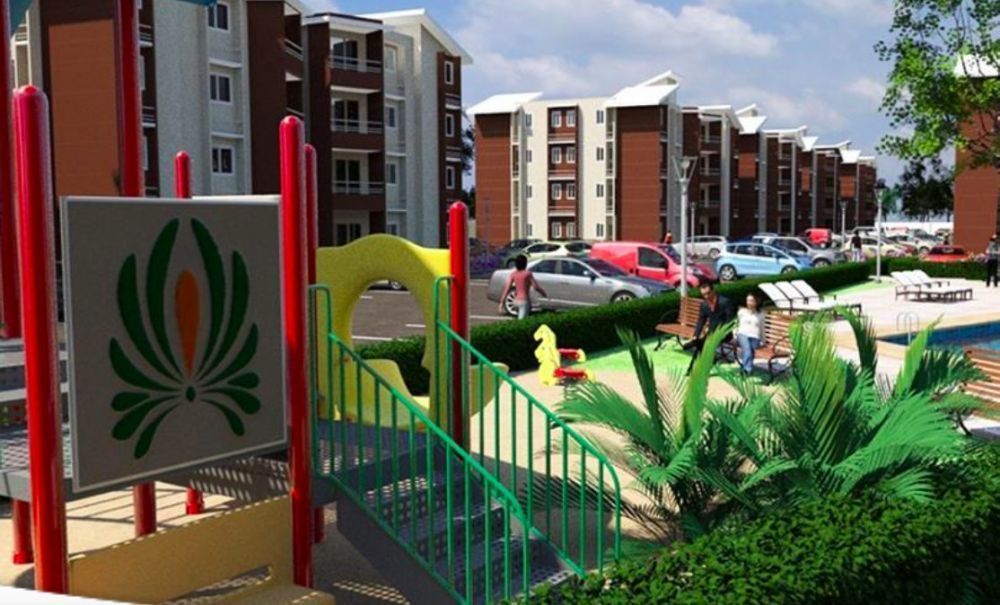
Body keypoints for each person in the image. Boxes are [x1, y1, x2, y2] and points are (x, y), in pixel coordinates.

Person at [683, 282, 735, 375]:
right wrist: (696, 335)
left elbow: (730, 321)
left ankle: (702, 365)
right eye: (703, 295)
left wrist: (721, 332)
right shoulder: (704, 305)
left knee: (704, 345)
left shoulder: (725, 302)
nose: (706, 296)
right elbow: (701, 321)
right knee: (699, 343)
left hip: (724, 333)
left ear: (713, 291)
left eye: (708, 293)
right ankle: (694, 367)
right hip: (711, 333)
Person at [499, 254, 548, 319]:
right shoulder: (527, 274)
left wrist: (501, 302)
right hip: (524, 301)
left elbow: (507, 288)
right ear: (525, 264)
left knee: (518, 318)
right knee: (522, 320)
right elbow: (535, 286)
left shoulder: (513, 274)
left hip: (515, 300)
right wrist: (543, 293)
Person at [736, 293, 764, 376]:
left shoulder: (761, 314)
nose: (749, 302)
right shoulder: (742, 312)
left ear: (756, 302)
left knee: (750, 351)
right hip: (742, 334)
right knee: (747, 349)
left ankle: (743, 368)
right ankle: (748, 370)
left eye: (751, 300)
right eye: (748, 300)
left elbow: (762, 328)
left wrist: (763, 340)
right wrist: (735, 334)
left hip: (755, 336)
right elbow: (737, 323)